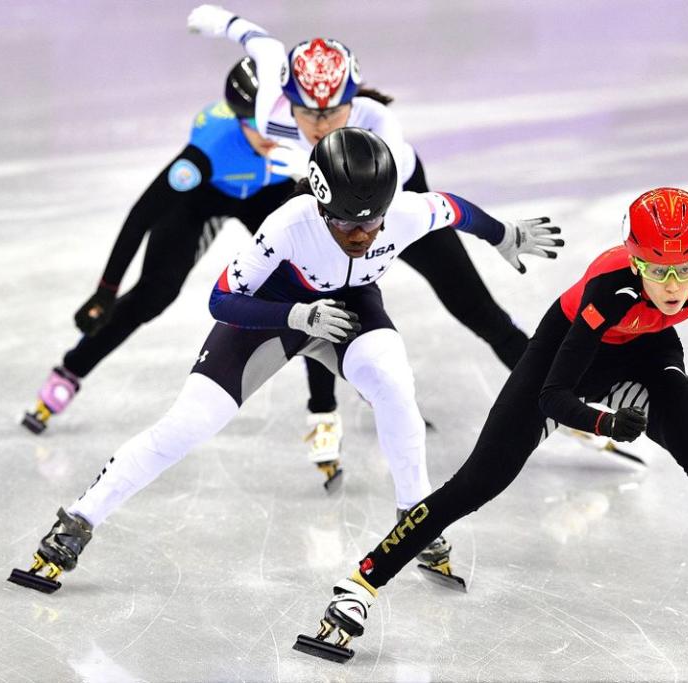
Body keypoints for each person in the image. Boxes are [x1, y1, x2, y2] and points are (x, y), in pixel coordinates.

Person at [295, 187, 688, 662]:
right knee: (477, 483)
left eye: (685, 269)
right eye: (658, 271)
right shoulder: (608, 290)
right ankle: (359, 585)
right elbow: (554, 395)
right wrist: (605, 423)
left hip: (647, 353)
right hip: (566, 354)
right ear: (636, 262)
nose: (673, 285)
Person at [8, 128, 563, 595]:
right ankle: (79, 519)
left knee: (396, 385)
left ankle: (414, 521)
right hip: (270, 316)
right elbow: (220, 300)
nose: (363, 238)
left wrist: (504, 235)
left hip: (350, 313)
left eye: (372, 226)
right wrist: (298, 316)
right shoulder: (289, 224)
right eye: (347, 226)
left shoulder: (405, 214)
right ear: (321, 205)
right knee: (188, 424)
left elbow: (454, 209)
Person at [187, 5, 534, 483]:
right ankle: (322, 415)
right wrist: (212, 18)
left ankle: (552, 391)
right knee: (312, 296)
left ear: (354, 102)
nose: (322, 124)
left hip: (394, 207)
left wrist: (494, 232)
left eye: (334, 111)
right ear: (289, 99)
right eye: (308, 111)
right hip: (330, 208)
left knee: (477, 309)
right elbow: (262, 45)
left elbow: (415, 205)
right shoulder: (272, 112)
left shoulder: (380, 125)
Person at [21, 57, 306, 434]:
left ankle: (350, 371)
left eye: (274, 120)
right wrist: (106, 291)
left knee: (308, 270)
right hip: (206, 197)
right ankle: (70, 371)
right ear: (239, 119)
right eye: (255, 123)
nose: (270, 133)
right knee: (154, 295)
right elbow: (142, 215)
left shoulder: (295, 129)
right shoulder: (207, 152)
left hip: (265, 191)